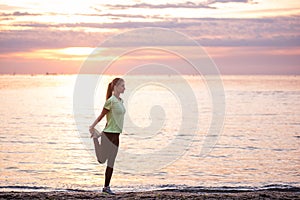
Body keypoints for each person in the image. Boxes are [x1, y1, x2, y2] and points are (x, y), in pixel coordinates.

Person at [89, 78, 126, 195]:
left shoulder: (121, 101)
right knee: (101, 160)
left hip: (116, 135)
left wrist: (101, 132)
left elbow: (110, 120)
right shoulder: (111, 101)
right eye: (122, 86)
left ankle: (106, 187)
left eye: (124, 86)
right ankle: (95, 138)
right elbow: (102, 116)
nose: (124, 88)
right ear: (115, 86)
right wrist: (92, 127)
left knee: (111, 162)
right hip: (108, 136)